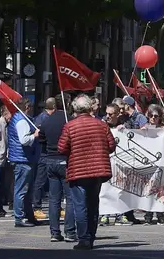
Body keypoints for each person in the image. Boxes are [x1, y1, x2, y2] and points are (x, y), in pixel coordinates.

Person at [57, 94, 117, 250]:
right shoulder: (102, 125)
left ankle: (84, 238)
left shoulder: (70, 126)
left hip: (78, 170)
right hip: (97, 171)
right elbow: (111, 146)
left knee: (80, 205)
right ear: (90, 107)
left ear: (75, 109)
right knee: (93, 204)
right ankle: (91, 236)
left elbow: (61, 148)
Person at [38, 97, 76, 242]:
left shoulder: (47, 120)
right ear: (68, 104)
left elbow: (41, 138)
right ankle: (69, 232)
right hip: (65, 160)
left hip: (50, 160)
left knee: (54, 199)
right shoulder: (69, 121)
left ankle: (54, 232)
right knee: (70, 198)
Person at [8, 99, 39, 228]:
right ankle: (19, 217)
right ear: (27, 107)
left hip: (23, 158)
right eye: (30, 106)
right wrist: (35, 135)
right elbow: (24, 140)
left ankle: (28, 215)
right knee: (21, 190)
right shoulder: (22, 121)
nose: (32, 109)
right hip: (22, 159)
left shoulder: (19, 118)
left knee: (27, 190)